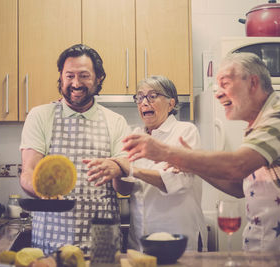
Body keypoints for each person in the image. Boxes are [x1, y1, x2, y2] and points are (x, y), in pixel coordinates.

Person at [122, 53, 280, 251]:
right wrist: (190, 164)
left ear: (252, 83)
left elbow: (237, 167)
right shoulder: (258, 128)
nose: (217, 93)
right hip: (271, 252)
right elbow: (236, 187)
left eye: (225, 84)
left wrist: (167, 153)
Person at [19, 44, 130, 254]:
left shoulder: (116, 122)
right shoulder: (41, 116)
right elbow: (28, 172)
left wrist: (117, 169)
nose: (76, 83)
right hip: (51, 240)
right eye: (69, 76)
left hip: (102, 243)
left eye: (84, 76)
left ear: (98, 79)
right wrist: (43, 192)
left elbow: (124, 189)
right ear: (61, 78)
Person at [84, 75, 208, 252]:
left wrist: (130, 169)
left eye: (152, 96)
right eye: (140, 97)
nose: (144, 102)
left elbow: (177, 182)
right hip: (139, 242)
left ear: (171, 104)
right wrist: (115, 169)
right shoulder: (134, 135)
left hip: (178, 239)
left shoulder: (185, 131)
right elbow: (125, 189)